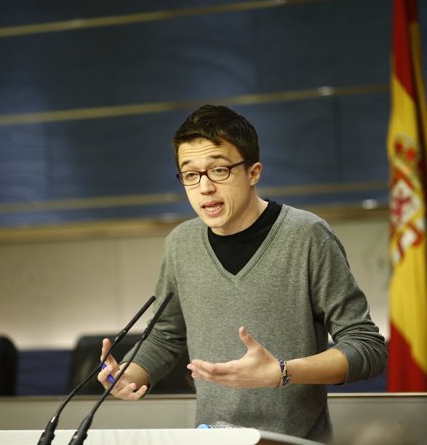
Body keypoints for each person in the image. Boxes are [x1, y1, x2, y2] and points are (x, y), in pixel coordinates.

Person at [98, 104, 387, 443]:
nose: (204, 187)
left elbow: (367, 347)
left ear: (253, 172)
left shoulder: (307, 235)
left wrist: (281, 373)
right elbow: (166, 334)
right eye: (190, 174)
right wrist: (129, 373)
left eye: (219, 170)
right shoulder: (181, 244)